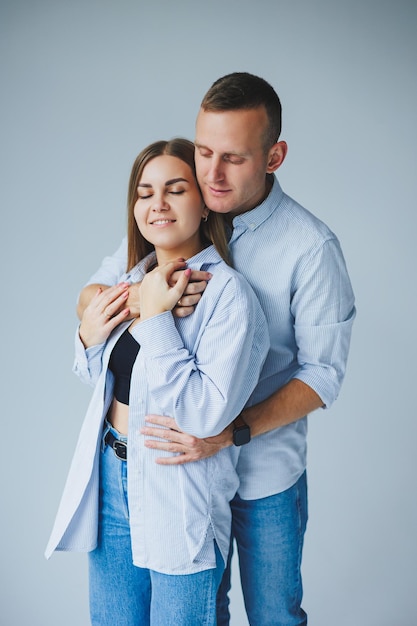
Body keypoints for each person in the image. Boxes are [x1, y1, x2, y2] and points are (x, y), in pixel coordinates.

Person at [76, 73, 356, 626]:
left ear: (274, 156)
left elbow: (323, 374)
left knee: (274, 615)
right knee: (202, 611)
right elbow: (97, 291)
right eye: (204, 152)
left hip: (261, 472)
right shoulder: (183, 207)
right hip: (179, 472)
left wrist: (232, 430)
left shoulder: (310, 247)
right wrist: (138, 303)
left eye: (234, 158)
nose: (212, 174)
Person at [45, 138, 270, 626]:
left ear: (203, 201)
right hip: (110, 473)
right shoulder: (131, 279)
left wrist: (156, 320)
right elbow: (95, 377)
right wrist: (88, 332)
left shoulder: (227, 295)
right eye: (144, 193)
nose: (157, 204)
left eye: (174, 189)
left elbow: (206, 415)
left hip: (177, 482)